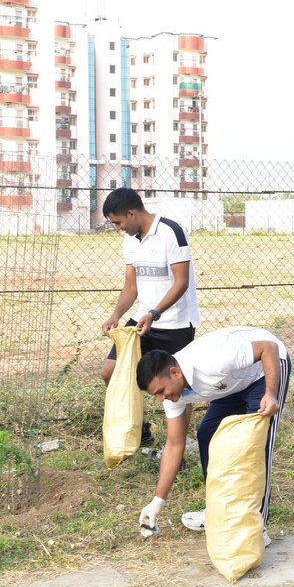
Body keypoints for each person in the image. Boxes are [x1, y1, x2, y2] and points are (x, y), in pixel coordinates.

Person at [134, 326, 291, 543]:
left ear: (175, 373)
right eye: (156, 395)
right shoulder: (174, 395)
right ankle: (217, 511)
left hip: (264, 370)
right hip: (231, 384)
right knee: (207, 433)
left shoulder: (212, 360)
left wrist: (270, 394)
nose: (161, 399)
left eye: (161, 391)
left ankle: (256, 527)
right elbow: (174, 445)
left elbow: (268, 348)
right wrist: (157, 501)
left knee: (256, 444)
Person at [100, 188, 200, 447]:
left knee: (179, 386)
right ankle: (142, 429)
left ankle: (176, 442)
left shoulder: (171, 232)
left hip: (175, 323)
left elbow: (181, 283)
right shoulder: (130, 240)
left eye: (118, 222)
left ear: (131, 213)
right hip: (142, 320)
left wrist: (155, 313)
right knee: (110, 371)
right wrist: (116, 315)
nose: (117, 229)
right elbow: (131, 286)